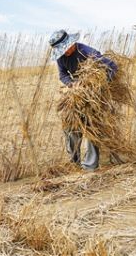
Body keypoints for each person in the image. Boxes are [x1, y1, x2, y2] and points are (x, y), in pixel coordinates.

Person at [49, 29, 118, 171]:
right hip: (77, 93)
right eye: (61, 50)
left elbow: (112, 67)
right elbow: (62, 75)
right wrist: (72, 84)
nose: (64, 52)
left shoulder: (87, 52)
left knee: (92, 127)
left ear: (71, 43)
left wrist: (99, 85)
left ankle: (90, 166)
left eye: (65, 48)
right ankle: (74, 163)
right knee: (70, 125)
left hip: (94, 94)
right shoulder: (61, 58)